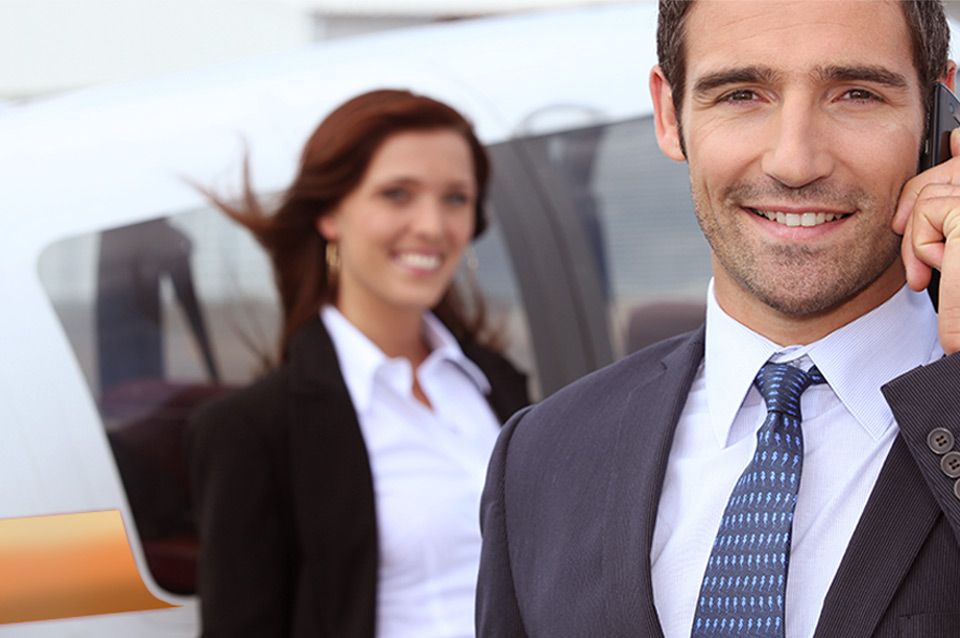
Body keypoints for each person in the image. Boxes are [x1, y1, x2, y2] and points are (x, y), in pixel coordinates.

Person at [476, 2, 960, 637]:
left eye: (857, 94)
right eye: (741, 94)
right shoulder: (542, 454)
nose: (794, 162)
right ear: (668, 113)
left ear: (941, 110)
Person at [187, 89, 529, 637]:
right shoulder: (254, 430)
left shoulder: (495, 382)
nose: (432, 226)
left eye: (455, 198)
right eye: (397, 194)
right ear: (329, 213)